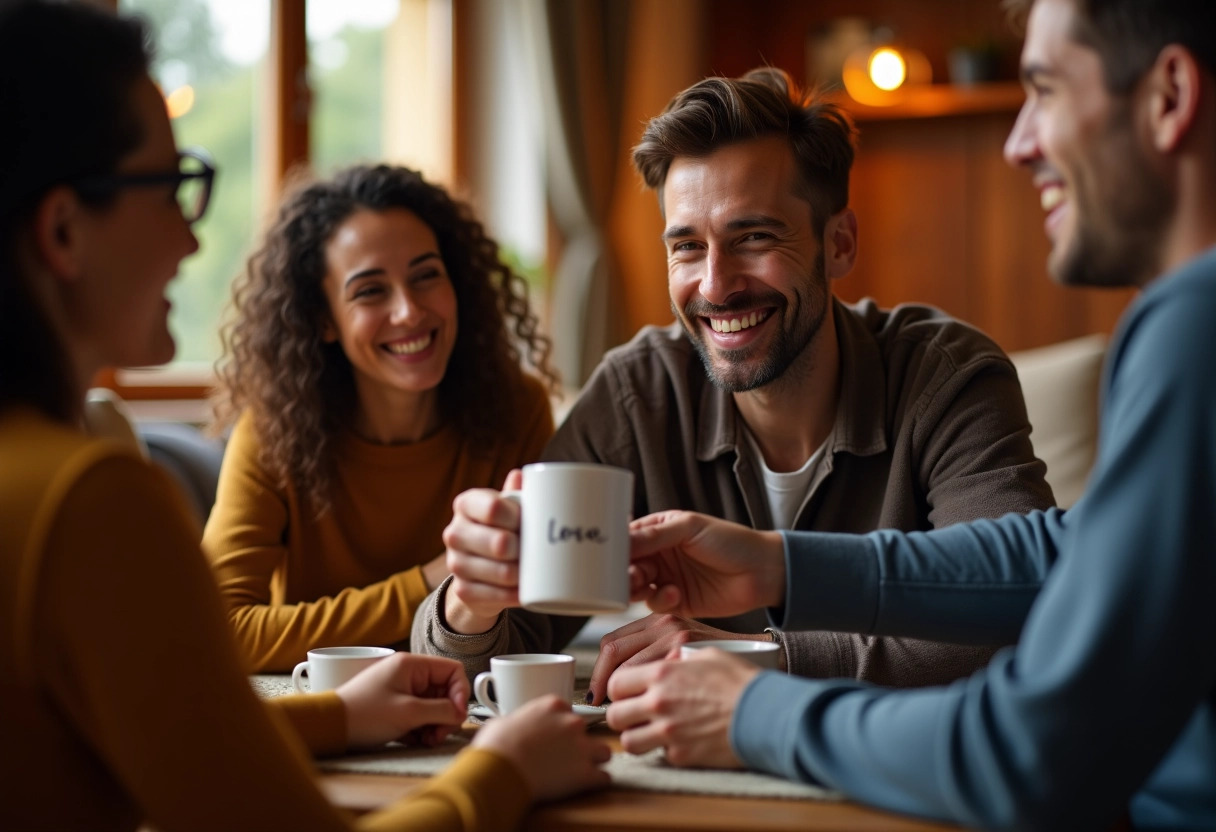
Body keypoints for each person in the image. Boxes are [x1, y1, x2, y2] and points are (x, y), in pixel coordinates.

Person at [604, 0, 1216, 828]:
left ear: (1170, 95)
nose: (1019, 141)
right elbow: (1069, 552)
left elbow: (1031, 753)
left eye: (1045, 90)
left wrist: (753, 707)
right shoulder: (1189, 318)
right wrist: (783, 566)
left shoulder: (1192, 323)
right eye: (687, 246)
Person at [0, 2, 609, 830]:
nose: (189, 236)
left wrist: (344, 714)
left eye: (427, 276)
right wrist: (499, 773)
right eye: (171, 186)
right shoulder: (88, 499)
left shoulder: (42, 483)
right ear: (64, 231)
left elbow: (161, 737)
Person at [415, 67, 1056, 702]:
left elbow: (1015, 610)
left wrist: (752, 661)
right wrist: (471, 606)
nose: (716, 286)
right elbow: (484, 664)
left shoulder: (946, 377)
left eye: (753, 237)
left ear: (838, 244)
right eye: (687, 247)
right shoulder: (639, 393)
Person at [203, 163, 558, 672]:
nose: (409, 311)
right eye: (370, 291)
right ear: (324, 319)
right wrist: (430, 580)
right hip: (329, 703)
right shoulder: (272, 433)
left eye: (426, 276)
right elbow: (222, 630)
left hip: (466, 698)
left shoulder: (517, 409)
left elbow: (534, 616)